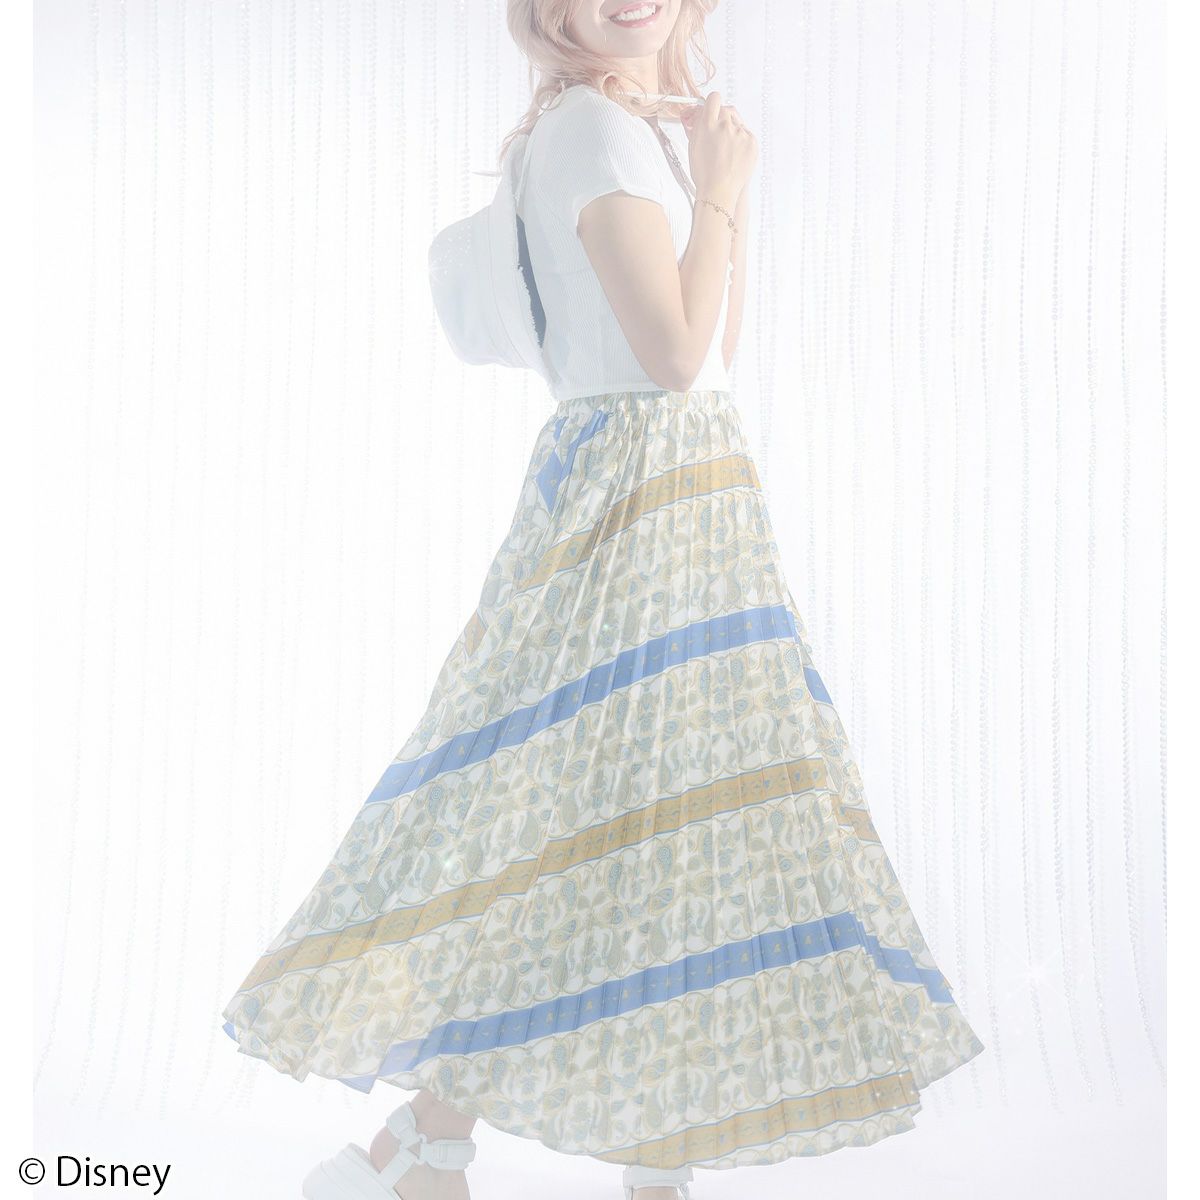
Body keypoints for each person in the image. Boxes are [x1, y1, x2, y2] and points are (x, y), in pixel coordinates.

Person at [221, 4, 985, 1199]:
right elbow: (673, 361)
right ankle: (484, 1153)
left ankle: (447, 1150)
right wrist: (723, 186)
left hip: (683, 494)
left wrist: (721, 190)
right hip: (640, 497)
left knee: (634, 826)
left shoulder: (627, 130)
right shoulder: (588, 129)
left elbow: (713, 352)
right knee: (601, 820)